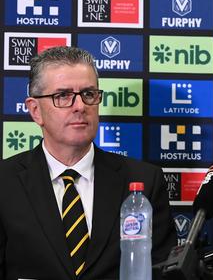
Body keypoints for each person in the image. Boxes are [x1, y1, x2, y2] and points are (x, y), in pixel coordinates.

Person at [0, 47, 176, 279]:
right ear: (35, 110)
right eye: (63, 95)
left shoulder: (144, 179)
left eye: (89, 94)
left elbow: (163, 271)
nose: (80, 106)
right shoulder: (5, 181)